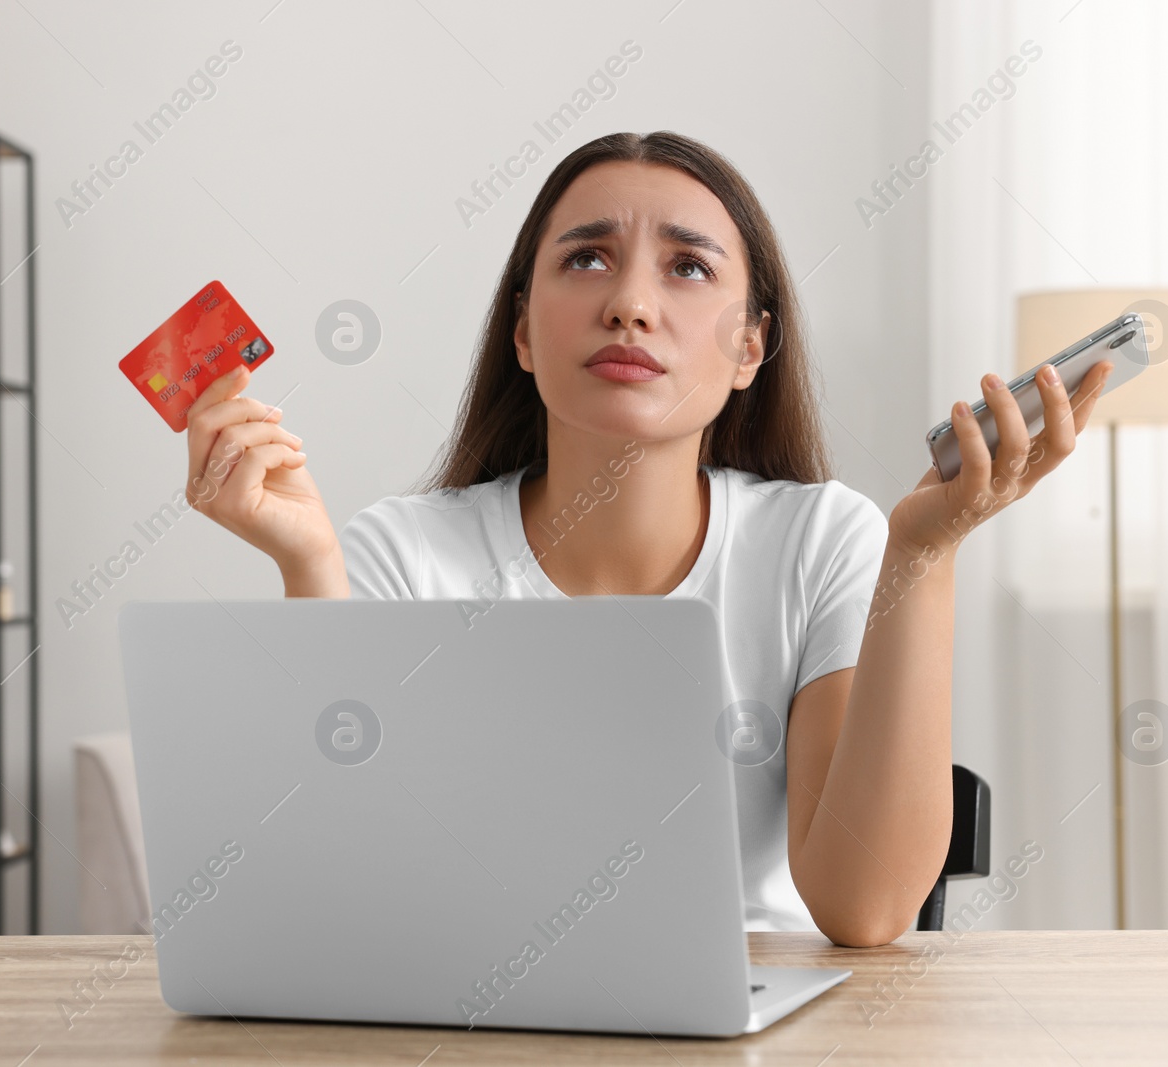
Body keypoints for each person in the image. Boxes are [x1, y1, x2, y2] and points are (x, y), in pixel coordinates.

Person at [180, 130, 1112, 947]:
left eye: (688, 266)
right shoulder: (401, 551)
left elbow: (863, 912)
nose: (628, 302)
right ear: (523, 334)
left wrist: (924, 556)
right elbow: (340, 895)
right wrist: (307, 564)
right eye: (586, 259)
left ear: (750, 348)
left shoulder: (823, 538)